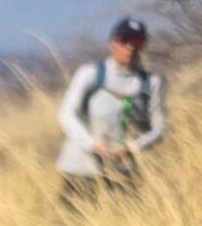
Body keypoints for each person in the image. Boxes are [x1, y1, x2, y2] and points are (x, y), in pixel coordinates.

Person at [57, 16, 166, 185]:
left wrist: (132, 148)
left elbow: (159, 128)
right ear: (112, 43)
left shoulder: (150, 83)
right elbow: (66, 114)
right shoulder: (90, 74)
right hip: (80, 170)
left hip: (123, 171)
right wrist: (92, 145)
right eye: (124, 40)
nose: (130, 47)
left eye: (137, 41)